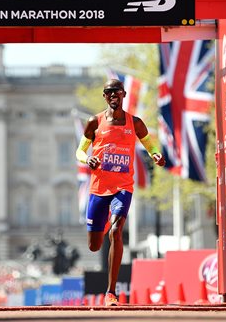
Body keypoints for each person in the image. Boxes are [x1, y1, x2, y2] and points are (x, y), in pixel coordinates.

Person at [75, 78, 166, 306]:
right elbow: (80, 151)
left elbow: (150, 144)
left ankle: (111, 292)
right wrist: (88, 159)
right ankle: (103, 222)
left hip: (122, 187)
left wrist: (155, 155)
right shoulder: (93, 122)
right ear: (104, 96)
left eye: (117, 91)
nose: (113, 95)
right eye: (108, 92)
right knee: (94, 245)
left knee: (116, 231)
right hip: (99, 188)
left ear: (124, 95)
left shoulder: (134, 123)